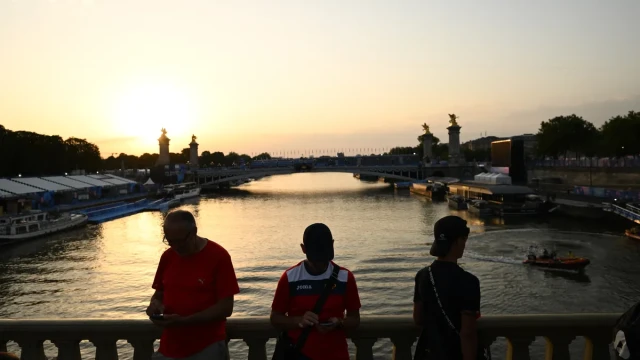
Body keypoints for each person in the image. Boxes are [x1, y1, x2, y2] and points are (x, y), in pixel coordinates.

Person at [147, 210, 240, 360]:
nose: (175, 247)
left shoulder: (219, 256)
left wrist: (184, 321)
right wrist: (155, 306)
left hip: (206, 347)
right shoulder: (167, 257)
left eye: (180, 241)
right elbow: (159, 294)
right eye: (170, 241)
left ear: (194, 232)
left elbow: (226, 308)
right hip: (169, 347)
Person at [270, 223, 361, 360]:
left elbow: (355, 319)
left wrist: (339, 323)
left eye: (324, 258)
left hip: (337, 354)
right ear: (303, 249)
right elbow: (275, 318)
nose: (320, 264)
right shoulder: (289, 278)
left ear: (333, 244)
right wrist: (299, 321)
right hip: (299, 354)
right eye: (315, 259)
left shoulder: (345, 277)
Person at [413, 216, 481, 360]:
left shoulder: (423, 275)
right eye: (463, 239)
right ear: (457, 241)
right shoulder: (469, 281)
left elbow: (418, 319)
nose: (464, 244)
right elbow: (467, 333)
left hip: (427, 353)